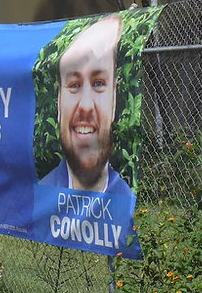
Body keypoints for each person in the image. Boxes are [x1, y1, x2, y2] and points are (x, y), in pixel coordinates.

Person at [41, 13, 133, 196]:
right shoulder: (38, 200)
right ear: (59, 100)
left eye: (99, 83)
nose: (85, 105)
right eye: (74, 85)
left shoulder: (129, 203)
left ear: (114, 98)